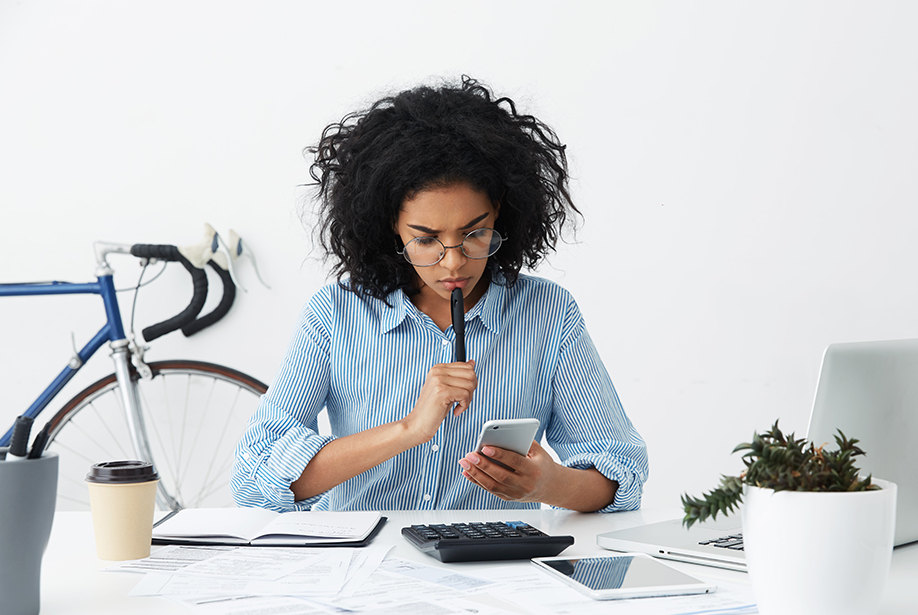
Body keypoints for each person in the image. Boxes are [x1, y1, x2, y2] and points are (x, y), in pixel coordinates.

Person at [232, 76, 647, 513]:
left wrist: (548, 485)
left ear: (501, 213)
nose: (453, 264)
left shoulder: (547, 313)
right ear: (390, 223)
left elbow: (620, 474)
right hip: (366, 571)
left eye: (474, 233)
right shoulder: (336, 313)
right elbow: (256, 478)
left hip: (494, 572)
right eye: (427, 239)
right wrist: (410, 428)